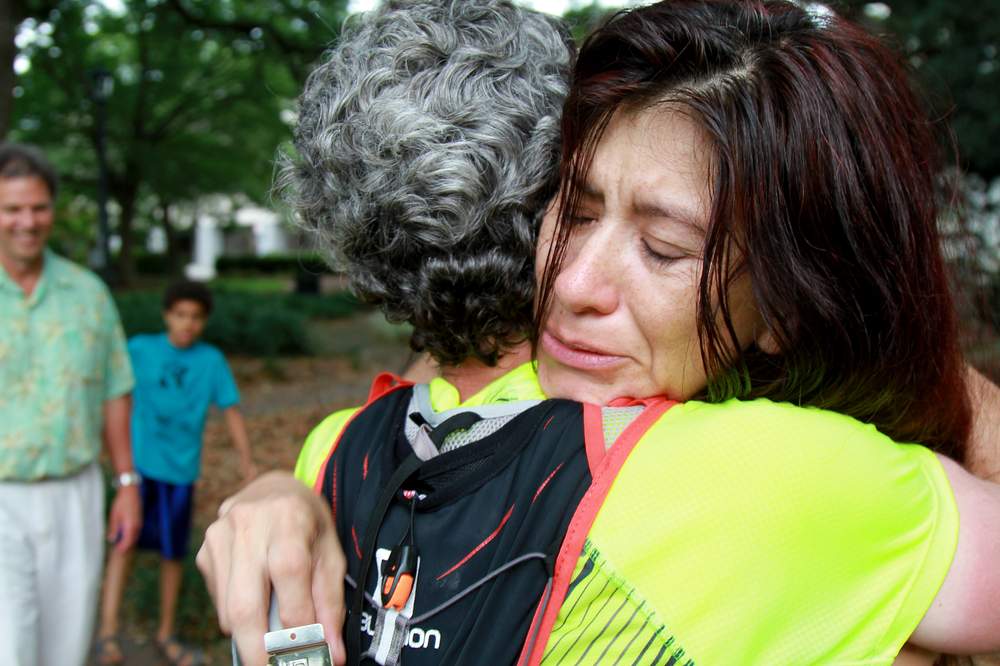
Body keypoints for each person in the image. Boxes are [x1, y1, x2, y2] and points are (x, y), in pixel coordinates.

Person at [199, 1, 1000, 664]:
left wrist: (279, 489)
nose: (574, 287)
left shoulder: (341, 451)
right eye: (573, 212)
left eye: (662, 249)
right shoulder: (787, 482)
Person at [0, 142, 141, 666]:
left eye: (38, 207)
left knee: (67, 645)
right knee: (11, 645)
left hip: (76, 495)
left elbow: (114, 388)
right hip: (2, 496)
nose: (26, 221)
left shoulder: (87, 294)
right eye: (12, 208)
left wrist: (126, 484)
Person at [96, 280, 257, 665]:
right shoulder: (140, 350)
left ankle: (166, 633)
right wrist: (110, 452)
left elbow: (231, 410)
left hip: (180, 474)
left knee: (172, 555)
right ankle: (107, 632)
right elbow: (114, 396)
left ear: (204, 322)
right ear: (167, 315)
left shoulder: (211, 361)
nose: (187, 324)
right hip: (139, 471)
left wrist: (247, 462)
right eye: (180, 315)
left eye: (196, 318)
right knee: (123, 547)